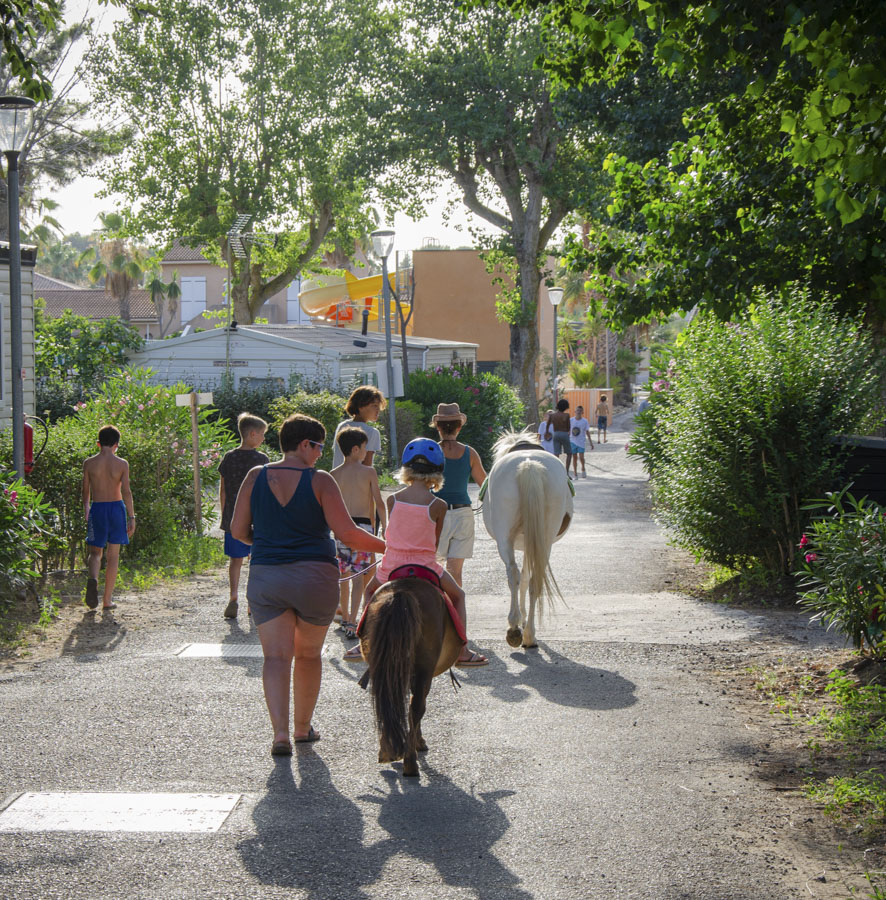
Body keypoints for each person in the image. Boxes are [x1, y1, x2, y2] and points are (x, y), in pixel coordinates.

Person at [231, 413, 385, 754]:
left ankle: (280, 735)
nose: (319, 454)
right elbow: (348, 534)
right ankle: (303, 729)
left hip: (267, 578)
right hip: (314, 579)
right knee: (308, 656)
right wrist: (391, 547)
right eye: (317, 446)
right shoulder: (321, 480)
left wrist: (270, 542)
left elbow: (238, 532)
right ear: (304, 444)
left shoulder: (256, 476)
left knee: (275, 658)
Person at [345, 437, 486, 667]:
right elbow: (434, 542)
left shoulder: (393, 499)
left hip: (392, 565)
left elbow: (389, 533)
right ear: (438, 471)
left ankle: (363, 640)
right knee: (459, 595)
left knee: (370, 592)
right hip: (426, 566)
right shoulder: (437, 505)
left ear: (406, 469)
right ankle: (462, 650)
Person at [430, 401, 488, 666]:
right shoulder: (470, 452)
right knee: (456, 572)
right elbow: (483, 484)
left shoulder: (431, 451)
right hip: (464, 513)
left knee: (434, 569)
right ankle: (455, 623)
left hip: (437, 513)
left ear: (438, 426)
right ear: (460, 425)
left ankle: (437, 622)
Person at [331, 426, 386, 640]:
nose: (366, 453)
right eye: (364, 448)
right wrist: (386, 527)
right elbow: (379, 503)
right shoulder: (368, 472)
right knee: (358, 578)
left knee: (343, 575)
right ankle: (353, 622)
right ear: (355, 449)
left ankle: (345, 617)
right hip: (362, 528)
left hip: (342, 527)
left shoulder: (334, 474)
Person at [218, 413, 269, 619]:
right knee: (255, 561)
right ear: (252, 434)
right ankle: (252, 601)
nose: (264, 439)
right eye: (263, 435)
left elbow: (222, 490)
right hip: (256, 518)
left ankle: (233, 597)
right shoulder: (261, 459)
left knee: (235, 561)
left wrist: (224, 514)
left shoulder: (229, 457)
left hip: (233, 517)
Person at [81, 424, 136, 611]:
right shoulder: (122, 464)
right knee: (113, 557)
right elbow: (127, 492)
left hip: (97, 508)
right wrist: (132, 516)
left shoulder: (89, 463)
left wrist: (87, 508)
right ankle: (107, 600)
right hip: (116, 509)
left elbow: (85, 491)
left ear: (98, 444)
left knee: (95, 553)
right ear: (116, 444)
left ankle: (93, 579)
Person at [330, 385, 385, 470]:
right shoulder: (372, 432)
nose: (378, 410)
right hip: (358, 482)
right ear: (361, 406)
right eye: (374, 405)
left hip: (337, 480)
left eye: (379, 406)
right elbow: (367, 465)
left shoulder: (342, 426)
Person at [549, 398, 573, 477]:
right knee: (569, 453)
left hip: (556, 434)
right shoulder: (566, 415)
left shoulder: (553, 415)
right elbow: (568, 427)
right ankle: (566, 472)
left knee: (556, 454)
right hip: (564, 433)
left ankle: (557, 472)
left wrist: (546, 432)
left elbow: (548, 424)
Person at [569, 405, 593, 478]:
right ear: (575, 412)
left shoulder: (584, 421)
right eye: (577, 410)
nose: (578, 412)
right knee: (575, 457)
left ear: (582, 412)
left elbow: (587, 432)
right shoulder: (571, 420)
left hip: (581, 441)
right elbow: (567, 431)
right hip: (572, 441)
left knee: (581, 457)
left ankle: (583, 468)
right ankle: (575, 473)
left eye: (580, 411)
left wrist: (591, 443)